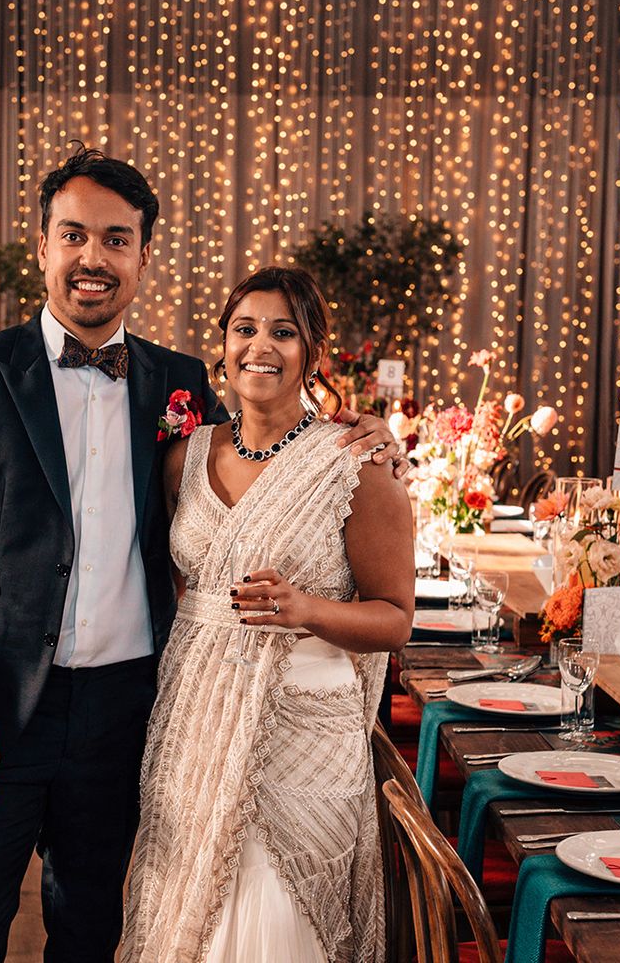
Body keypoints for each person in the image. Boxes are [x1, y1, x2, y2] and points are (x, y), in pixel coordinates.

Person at [0, 146, 404, 962]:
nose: (93, 258)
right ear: (43, 245)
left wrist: (367, 434)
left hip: (129, 710)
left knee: (95, 929)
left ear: (142, 256)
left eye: (116, 239)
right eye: (74, 236)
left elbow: (260, 467)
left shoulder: (178, 383)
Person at [123, 266, 415, 963]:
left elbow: (396, 618)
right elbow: (180, 590)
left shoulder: (356, 463)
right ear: (224, 345)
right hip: (197, 722)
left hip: (304, 736)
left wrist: (306, 609)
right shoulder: (185, 456)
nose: (261, 346)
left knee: (280, 915)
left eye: (283, 332)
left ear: (313, 352)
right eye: (244, 329)